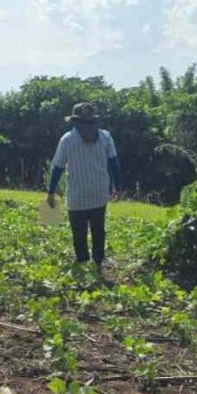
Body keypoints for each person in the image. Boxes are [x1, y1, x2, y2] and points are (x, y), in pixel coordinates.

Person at [46, 102, 122, 272]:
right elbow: (114, 163)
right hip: (99, 192)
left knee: (79, 233)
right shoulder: (105, 137)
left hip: (76, 196)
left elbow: (57, 167)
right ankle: (98, 261)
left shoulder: (67, 140)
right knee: (98, 229)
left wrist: (50, 192)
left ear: (75, 121)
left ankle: (82, 262)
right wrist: (118, 187)